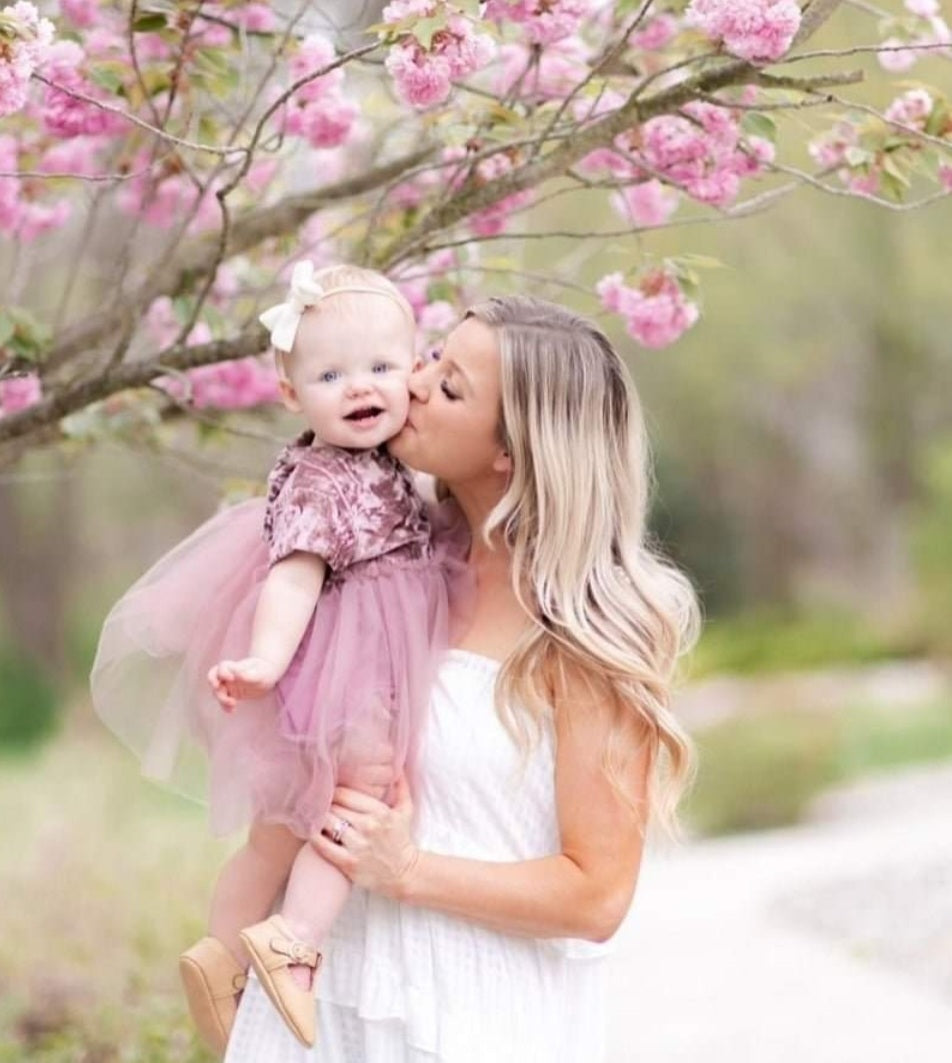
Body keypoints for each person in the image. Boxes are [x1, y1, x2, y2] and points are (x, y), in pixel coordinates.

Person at [224, 294, 701, 1061]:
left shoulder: (586, 630)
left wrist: (409, 870)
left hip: (472, 1017)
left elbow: (598, 894)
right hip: (325, 1001)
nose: (411, 383)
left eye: (448, 387)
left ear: (510, 450)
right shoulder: (386, 558)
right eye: (432, 358)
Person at [90, 262, 468, 1054]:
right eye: (330, 374)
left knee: (276, 831)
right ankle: (292, 940)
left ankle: (221, 952)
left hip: (353, 661)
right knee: (355, 802)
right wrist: (262, 660)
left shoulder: (390, 460)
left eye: (380, 368)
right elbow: (291, 582)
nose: (359, 387)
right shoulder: (319, 481)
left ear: (414, 372)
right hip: (343, 667)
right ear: (292, 395)